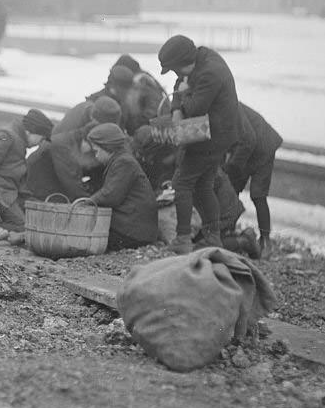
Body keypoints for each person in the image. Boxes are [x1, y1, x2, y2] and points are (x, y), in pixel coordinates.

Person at [158, 34, 241, 254]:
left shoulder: (210, 73)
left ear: (182, 62)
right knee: (204, 184)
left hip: (212, 136)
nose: (175, 74)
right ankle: (213, 238)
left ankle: (183, 239)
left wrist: (182, 98)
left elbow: (195, 108)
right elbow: (180, 85)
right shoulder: (200, 59)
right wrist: (178, 106)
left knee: (181, 183)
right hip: (210, 131)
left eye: (175, 69)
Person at [0, 109, 54, 245]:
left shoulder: (18, 140)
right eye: (41, 138)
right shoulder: (6, 136)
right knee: (22, 227)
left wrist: (33, 202)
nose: (40, 144)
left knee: (28, 223)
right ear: (30, 131)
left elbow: (14, 178)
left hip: (7, 196)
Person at [28, 97, 122, 201]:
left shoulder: (97, 128)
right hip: (41, 179)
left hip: (65, 165)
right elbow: (70, 179)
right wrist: (89, 200)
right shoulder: (70, 131)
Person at [84, 123, 159, 250]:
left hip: (132, 232)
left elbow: (111, 196)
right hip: (132, 227)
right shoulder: (121, 160)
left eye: (96, 151)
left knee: (86, 240)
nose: (95, 156)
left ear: (108, 147)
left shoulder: (124, 162)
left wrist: (87, 202)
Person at [225, 102, 283, 253]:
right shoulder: (219, 104)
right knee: (232, 189)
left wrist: (231, 167)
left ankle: (265, 240)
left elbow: (248, 140)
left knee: (258, 195)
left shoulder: (228, 105)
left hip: (263, 147)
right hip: (248, 149)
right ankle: (228, 230)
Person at [52, 67, 134, 136]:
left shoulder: (121, 103)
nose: (130, 93)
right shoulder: (96, 105)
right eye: (127, 90)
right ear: (116, 87)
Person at [115, 54, 168, 135]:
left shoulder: (142, 81)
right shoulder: (143, 78)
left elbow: (153, 109)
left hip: (153, 129)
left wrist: (136, 125)